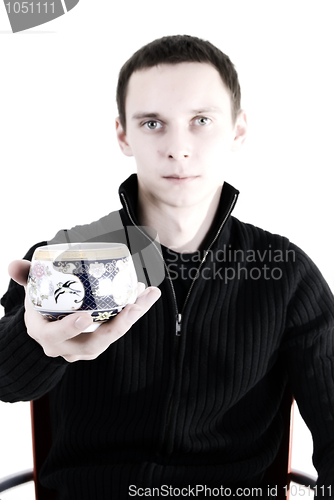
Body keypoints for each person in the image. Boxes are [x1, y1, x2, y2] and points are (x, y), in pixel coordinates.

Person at [1, 34, 334, 499]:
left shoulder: (287, 274)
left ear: (237, 129)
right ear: (123, 133)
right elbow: (6, 380)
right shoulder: (63, 260)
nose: (178, 147)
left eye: (201, 120)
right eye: (153, 123)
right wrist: (36, 341)